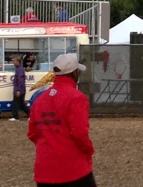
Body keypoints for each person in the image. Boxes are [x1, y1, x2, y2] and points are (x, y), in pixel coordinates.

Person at [28, 53, 96, 187]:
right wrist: (89, 150)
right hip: (73, 169)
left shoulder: (40, 99)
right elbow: (79, 133)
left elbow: (32, 133)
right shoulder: (77, 98)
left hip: (45, 168)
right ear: (74, 73)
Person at [10, 56, 30, 121]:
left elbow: (20, 80)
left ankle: (16, 117)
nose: (13, 63)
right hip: (22, 89)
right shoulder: (20, 69)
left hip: (19, 90)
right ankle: (31, 115)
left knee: (15, 103)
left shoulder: (19, 70)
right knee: (21, 104)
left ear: (18, 62)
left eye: (14, 61)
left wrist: (18, 90)